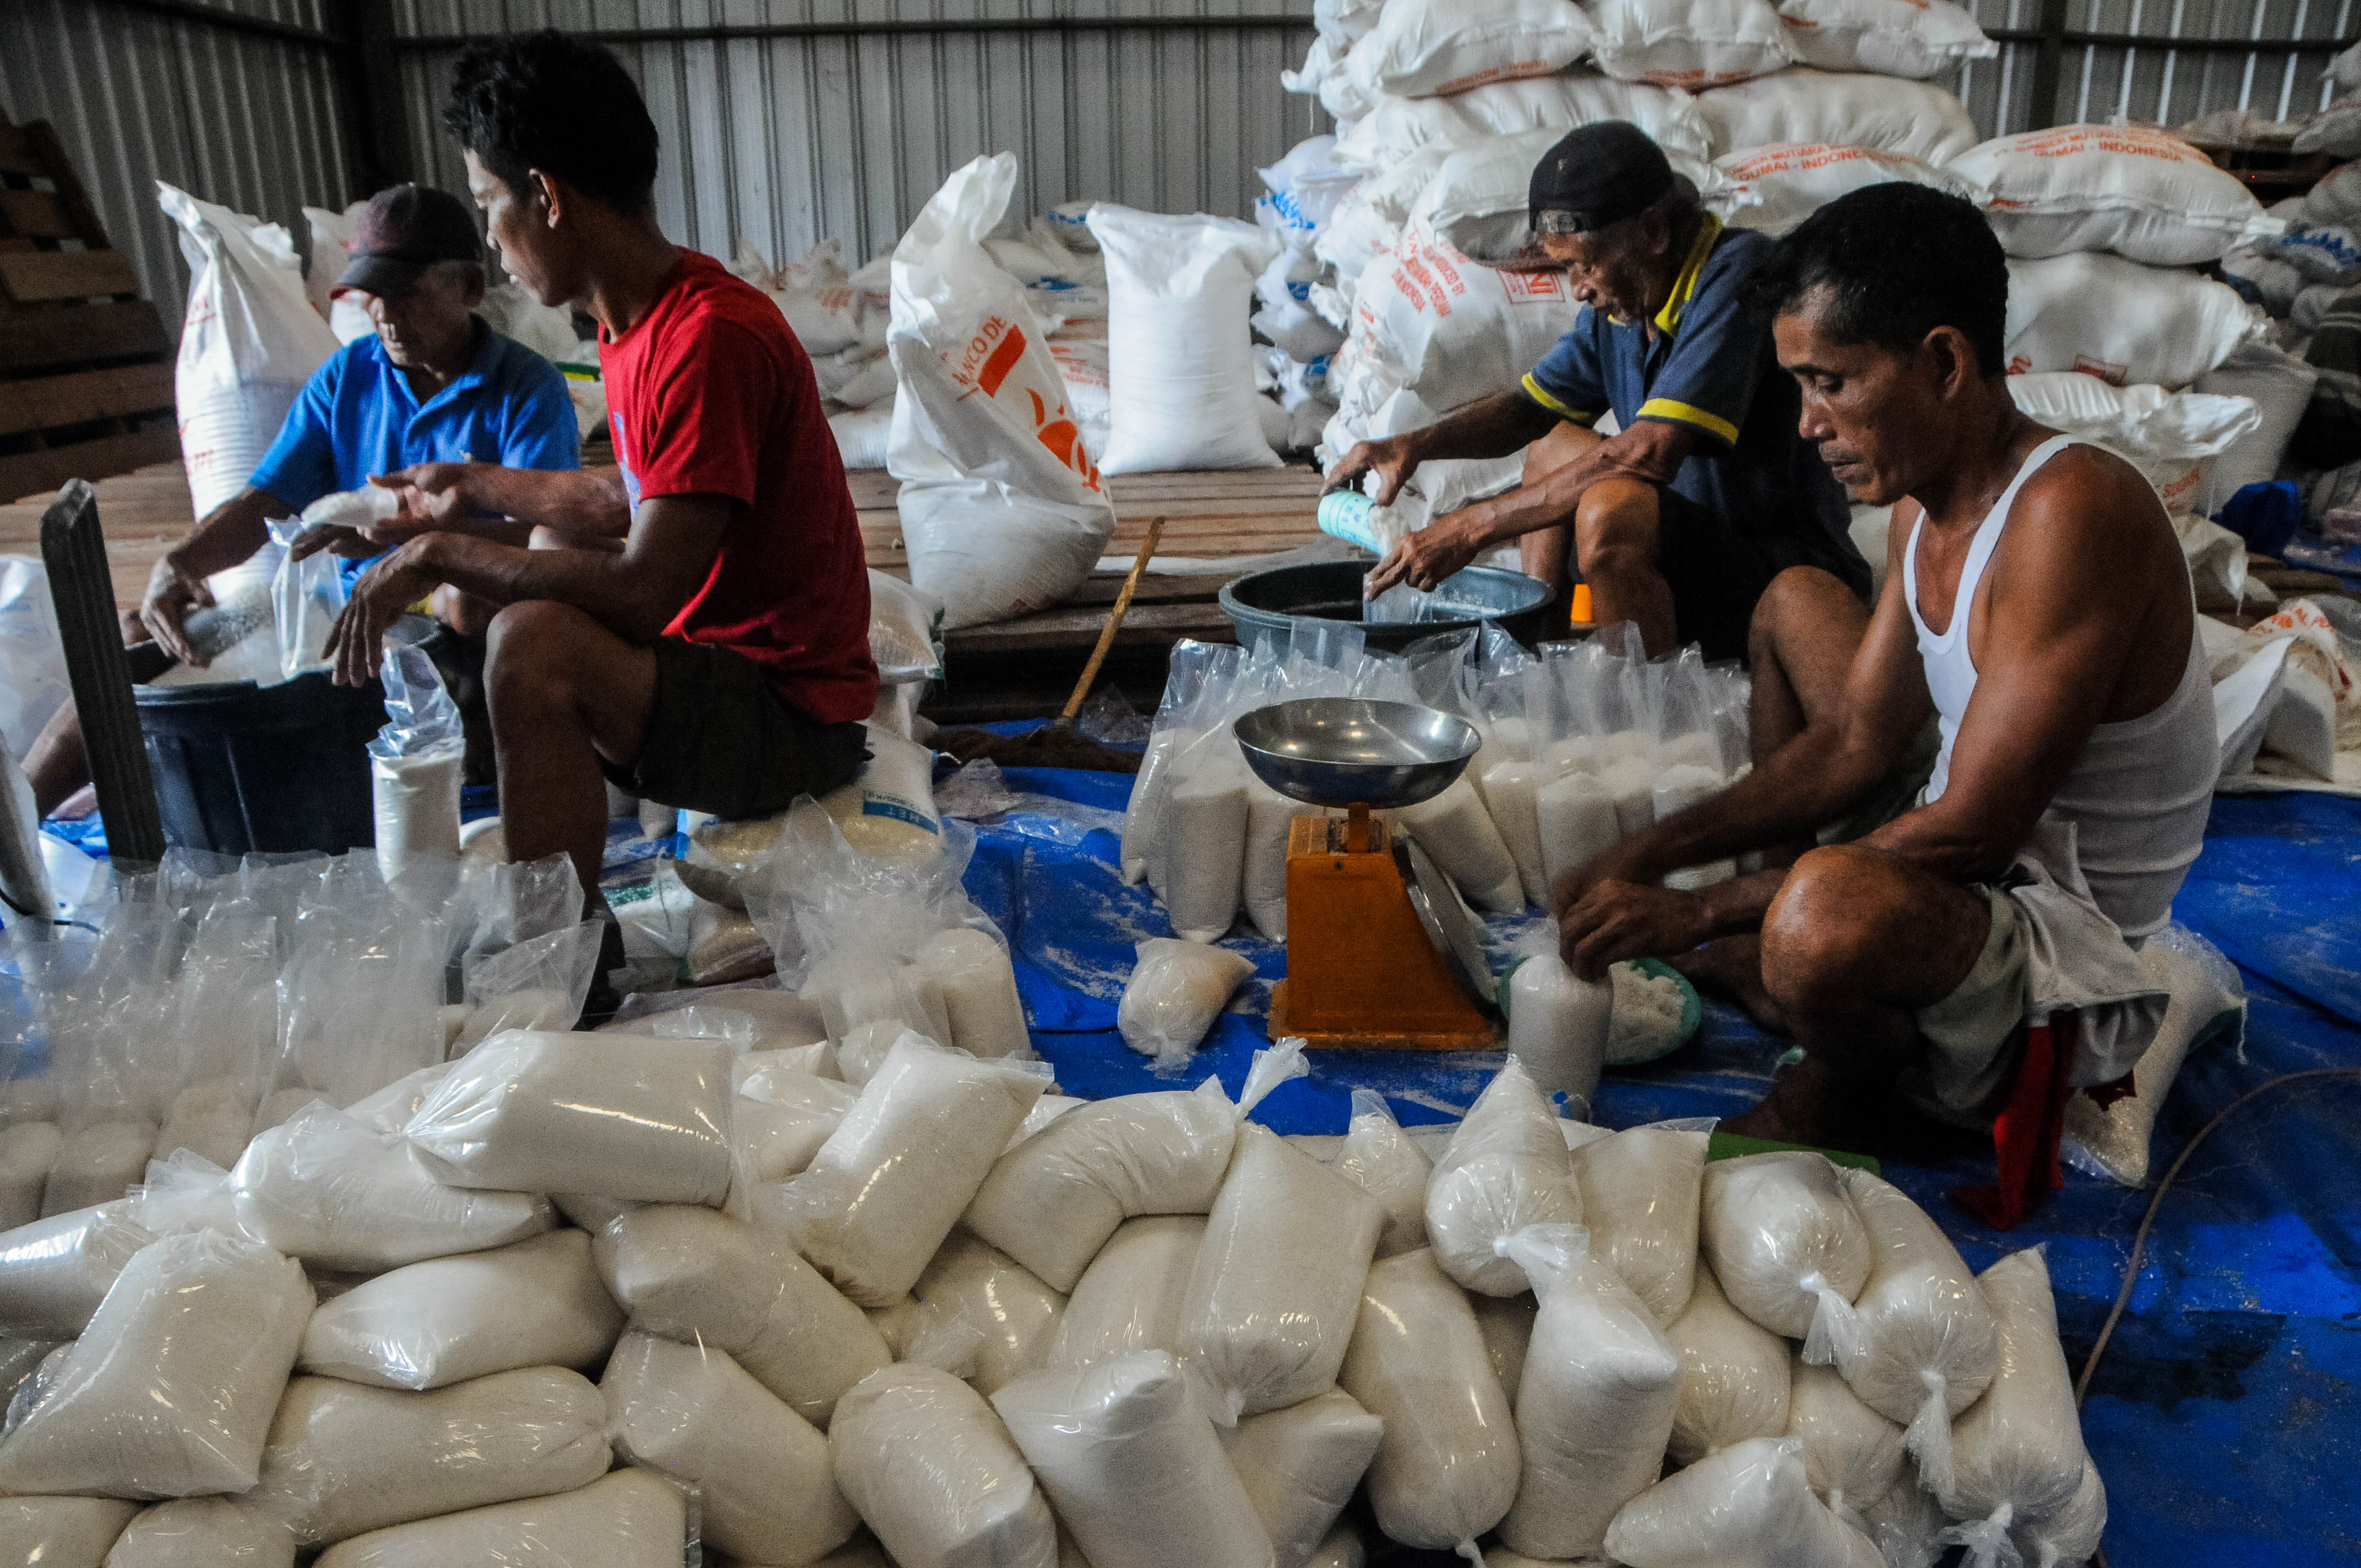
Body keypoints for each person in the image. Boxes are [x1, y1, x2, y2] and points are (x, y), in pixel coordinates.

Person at [1551, 183, 2219, 1150]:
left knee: (1820, 913)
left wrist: (1693, 910)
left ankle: (1840, 1067)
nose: (1807, 422)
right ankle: (1782, 966)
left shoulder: (2070, 512)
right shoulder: (1921, 507)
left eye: (1832, 381)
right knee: (1792, 600)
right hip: (1966, 860)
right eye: (1799, 388)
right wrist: (1645, 852)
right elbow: (1857, 739)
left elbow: (1969, 836)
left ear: (1944, 362)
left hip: (2054, 944)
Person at [323, 29, 877, 941]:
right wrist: (471, 488)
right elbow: (632, 498)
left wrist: (440, 553)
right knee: (548, 555)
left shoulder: (708, 338)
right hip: (732, 677)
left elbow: (644, 586)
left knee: (530, 642)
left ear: (545, 196)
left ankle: (563, 955)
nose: (495, 243)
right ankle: (564, 922)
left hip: (788, 717)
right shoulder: (638, 325)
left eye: (489, 202)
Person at [20, 182, 581, 818]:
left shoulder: (527, 390)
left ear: (469, 289)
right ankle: (18, 826)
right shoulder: (349, 377)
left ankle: (467, 751)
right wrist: (182, 562)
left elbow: (547, 546)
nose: (386, 317)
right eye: (372, 299)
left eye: (408, 296)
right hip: (339, 611)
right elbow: (266, 501)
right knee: (137, 646)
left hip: (443, 632)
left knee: (465, 604)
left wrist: (418, 546)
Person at [1330, 121, 1869, 661]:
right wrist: (1413, 445)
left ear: (1654, 232)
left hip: (1780, 575)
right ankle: (1532, 645)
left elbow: (1652, 453)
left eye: (1583, 265)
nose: (1579, 288)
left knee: (1611, 507)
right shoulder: (1625, 307)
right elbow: (1527, 412)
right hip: (1684, 553)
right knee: (1553, 445)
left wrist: (1472, 525)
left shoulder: (1739, 275)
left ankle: (1643, 709)